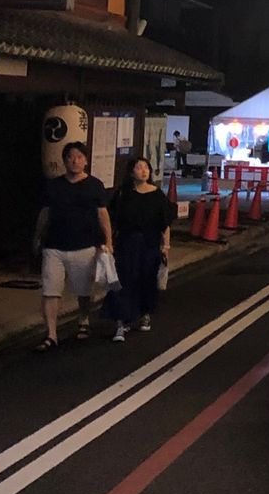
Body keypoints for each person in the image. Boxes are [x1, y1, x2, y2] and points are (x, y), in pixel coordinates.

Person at [32, 141, 113, 351]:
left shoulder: (94, 185)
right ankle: (51, 333)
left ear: (85, 160)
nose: (74, 160)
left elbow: (102, 214)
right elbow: (45, 213)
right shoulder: (54, 185)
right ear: (64, 161)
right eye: (70, 157)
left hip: (85, 245)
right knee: (50, 290)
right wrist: (38, 237)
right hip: (54, 246)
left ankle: (83, 321)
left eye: (78, 157)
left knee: (83, 290)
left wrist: (108, 241)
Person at [106, 155, 176, 342]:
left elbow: (165, 223)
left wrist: (166, 246)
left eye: (146, 167)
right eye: (139, 167)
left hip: (150, 244)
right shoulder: (123, 194)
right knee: (123, 281)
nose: (144, 171)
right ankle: (121, 322)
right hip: (126, 243)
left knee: (146, 279)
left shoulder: (157, 194)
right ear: (131, 172)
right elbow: (112, 219)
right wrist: (109, 242)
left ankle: (145, 312)